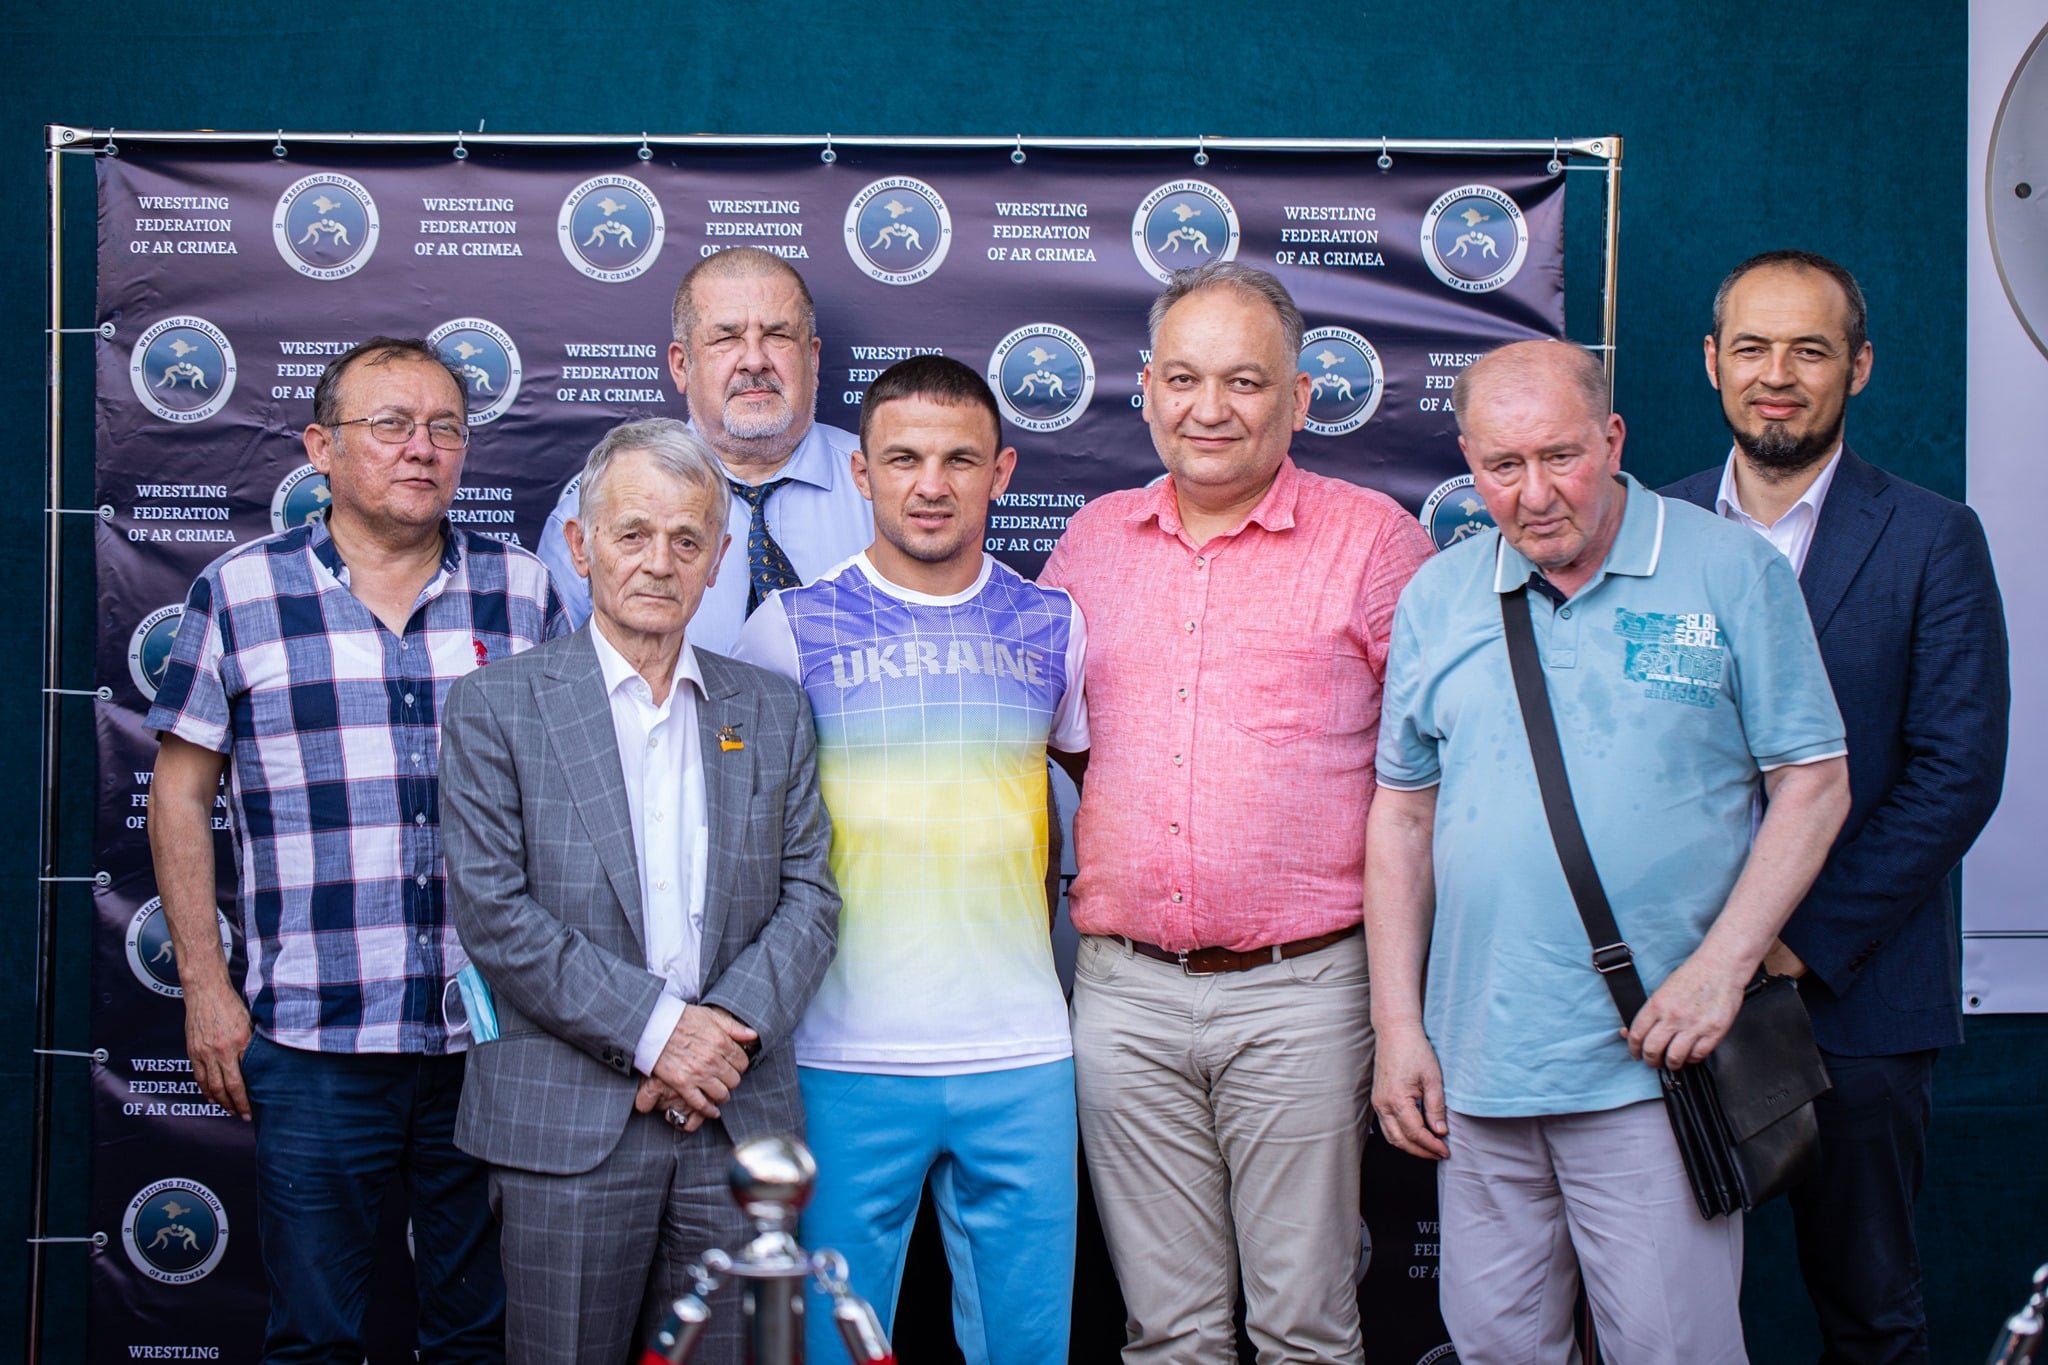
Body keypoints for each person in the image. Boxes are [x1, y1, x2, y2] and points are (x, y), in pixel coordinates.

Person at [1366, 339, 1853, 1363]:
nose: (1535, 493)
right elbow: (1402, 817)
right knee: (1496, 1351)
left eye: (1560, 456)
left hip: (1653, 1072)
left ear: (1612, 439)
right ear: (1469, 463)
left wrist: (1721, 972)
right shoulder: (1438, 596)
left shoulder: (1730, 570)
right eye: (1503, 466)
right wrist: (1397, 1026)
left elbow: (1813, 784)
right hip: (1478, 1073)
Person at [1039, 261, 1432, 1364]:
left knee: (1303, 1328)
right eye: (1183, 378)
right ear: (1146, 392)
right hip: (1122, 995)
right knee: (1167, 1332)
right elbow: (1061, 738)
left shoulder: (1374, 544)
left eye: (1244, 381)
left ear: (1298, 398)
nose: (1208, 408)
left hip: (1301, 994)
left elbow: (1436, 770)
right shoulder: (1090, 542)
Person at [145, 336, 566, 1362]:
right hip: (313, 1040)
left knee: (477, 1335)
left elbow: (576, 802)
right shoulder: (241, 592)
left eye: (444, 428)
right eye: (390, 425)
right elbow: (180, 792)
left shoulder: (523, 592)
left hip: (490, 1039)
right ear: (320, 448)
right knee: (314, 1336)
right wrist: (205, 986)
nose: (421, 448)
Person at [1664, 250, 2010, 1363]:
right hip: (1660, 991)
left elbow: (1955, 773)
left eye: (1808, 350)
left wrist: (1783, 943)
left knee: (1869, 1313)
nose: (1777, 375)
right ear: (1711, 362)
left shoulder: (1931, 537)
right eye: (1752, 348)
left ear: (1856, 367)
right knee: (1651, 1311)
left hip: (1852, 998)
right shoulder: (1649, 529)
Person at [439, 417, 839, 1365]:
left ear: (718, 561)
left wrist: (718, 1038)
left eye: (687, 540)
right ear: (581, 546)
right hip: (569, 1126)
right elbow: (496, 912)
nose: (660, 562)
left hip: (731, 1117)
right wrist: (663, 1035)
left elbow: (811, 898)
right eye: (633, 534)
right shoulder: (496, 705)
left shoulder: (772, 708)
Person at [732, 354, 1088, 1364]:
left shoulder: (1054, 623)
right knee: (826, 1346)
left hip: (1021, 1052)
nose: (931, 484)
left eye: (959, 459)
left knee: (1028, 1349)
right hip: (842, 1053)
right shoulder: (786, 630)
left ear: (1001, 472)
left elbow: (1091, 792)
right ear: (861, 473)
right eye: (903, 459)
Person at [538, 246, 873, 648]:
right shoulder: (595, 507)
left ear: (813, 359)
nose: (754, 361)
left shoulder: (887, 489)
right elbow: (556, 676)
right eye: (726, 338)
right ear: (681, 365)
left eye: (777, 335)